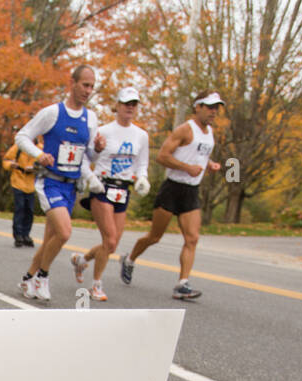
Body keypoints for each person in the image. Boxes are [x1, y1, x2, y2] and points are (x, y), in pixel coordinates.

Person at [13, 65, 106, 302]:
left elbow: (88, 157)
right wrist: (38, 154)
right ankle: (42, 276)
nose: (88, 90)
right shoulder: (53, 113)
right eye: (85, 84)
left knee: (50, 242)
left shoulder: (91, 118)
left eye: (92, 86)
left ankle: (27, 278)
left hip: (71, 185)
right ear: (72, 83)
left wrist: (97, 149)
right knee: (64, 233)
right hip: (50, 182)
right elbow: (22, 136)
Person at [120, 91, 225, 300]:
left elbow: (201, 155)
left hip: (191, 191)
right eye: (210, 107)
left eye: (217, 108)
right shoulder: (185, 130)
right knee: (154, 237)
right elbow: (162, 156)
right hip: (172, 189)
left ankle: (182, 284)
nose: (214, 111)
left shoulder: (210, 132)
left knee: (192, 239)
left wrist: (209, 164)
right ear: (198, 107)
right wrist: (187, 167)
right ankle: (129, 259)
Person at [70, 88, 151, 301]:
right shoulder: (104, 131)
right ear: (117, 105)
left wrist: (142, 178)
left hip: (123, 189)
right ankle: (96, 284)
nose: (130, 108)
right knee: (110, 239)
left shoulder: (141, 135)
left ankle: (81, 260)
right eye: (126, 103)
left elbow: (142, 164)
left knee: (112, 245)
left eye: (134, 104)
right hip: (102, 188)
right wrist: (91, 178)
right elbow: (86, 157)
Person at [2, 137, 41, 247]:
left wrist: (36, 168)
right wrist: (11, 165)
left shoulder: (40, 148)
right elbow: (6, 160)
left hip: (31, 183)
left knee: (29, 210)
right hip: (18, 181)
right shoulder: (18, 147)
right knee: (20, 208)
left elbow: (45, 163)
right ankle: (18, 235)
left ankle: (26, 235)